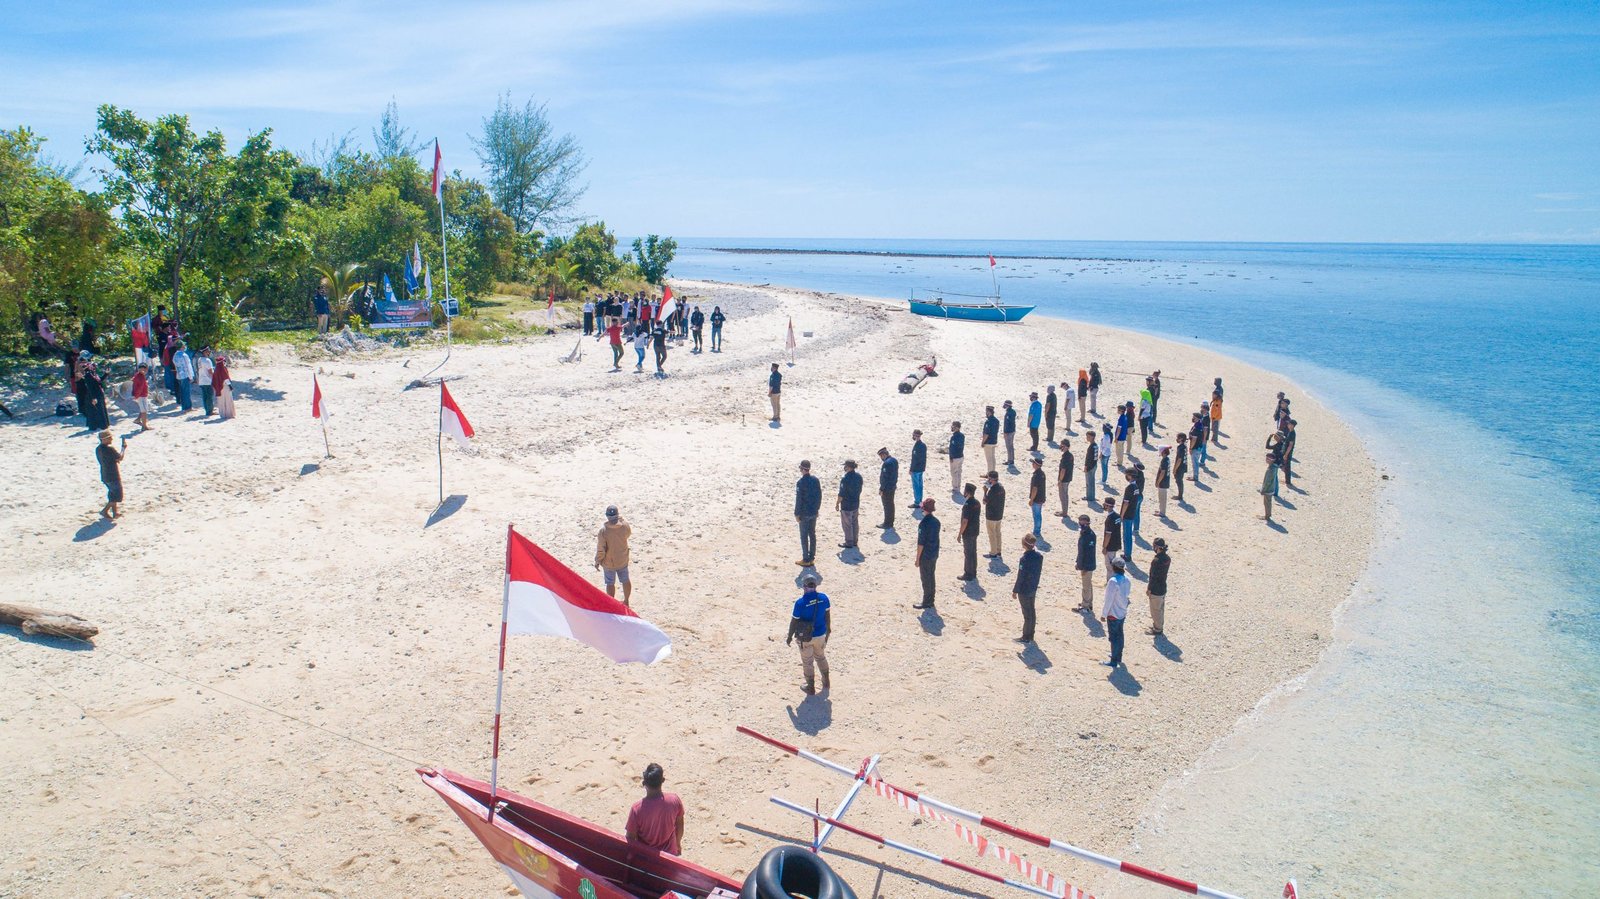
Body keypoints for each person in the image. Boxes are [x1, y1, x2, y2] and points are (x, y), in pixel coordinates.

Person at [625, 764, 684, 856]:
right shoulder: (674, 800)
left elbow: (630, 838)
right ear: (663, 780)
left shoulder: (637, 809)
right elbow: (680, 824)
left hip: (646, 857)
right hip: (670, 853)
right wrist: (677, 844)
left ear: (644, 783)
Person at [788, 576, 831, 694]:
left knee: (807, 661)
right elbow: (827, 616)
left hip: (805, 637)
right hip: (821, 634)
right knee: (821, 657)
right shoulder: (824, 598)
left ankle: (810, 687)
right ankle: (826, 681)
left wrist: (789, 636)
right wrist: (828, 631)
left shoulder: (800, 603)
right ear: (816, 586)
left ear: (804, 587)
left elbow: (794, 621)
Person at [595, 506, 633, 606]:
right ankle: (626, 601)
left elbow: (601, 549)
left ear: (607, 516)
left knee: (610, 583)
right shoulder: (625, 525)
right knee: (625, 580)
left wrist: (598, 561)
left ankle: (612, 604)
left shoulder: (603, 531)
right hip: (622, 558)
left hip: (609, 562)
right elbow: (628, 534)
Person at [1101, 556, 1131, 668]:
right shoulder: (1127, 580)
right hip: (1122, 612)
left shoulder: (1113, 582)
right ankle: (1118, 656)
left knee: (1113, 637)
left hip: (1113, 613)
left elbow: (1108, 600)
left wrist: (1104, 614)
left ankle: (1113, 660)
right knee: (1120, 635)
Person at [1013, 534, 1043, 643]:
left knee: (1027, 613)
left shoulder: (1024, 559)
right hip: (1033, 587)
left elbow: (1021, 576)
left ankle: (1026, 636)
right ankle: (1031, 634)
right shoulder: (1039, 557)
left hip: (1024, 589)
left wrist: (1015, 590)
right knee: (1032, 611)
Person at [913, 499, 939, 609]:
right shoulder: (936, 522)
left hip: (926, 555)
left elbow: (921, 543)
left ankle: (927, 601)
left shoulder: (923, 524)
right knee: (931, 576)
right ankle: (931, 599)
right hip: (934, 553)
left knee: (925, 579)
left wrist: (917, 558)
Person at [795, 460, 821, 566]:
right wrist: (817, 509)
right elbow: (819, 496)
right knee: (812, 534)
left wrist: (797, 514)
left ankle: (806, 559)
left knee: (804, 536)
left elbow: (799, 500)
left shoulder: (800, 483)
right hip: (813, 512)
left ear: (802, 469)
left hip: (804, 513)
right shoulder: (815, 480)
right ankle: (811, 558)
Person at [95, 430, 127, 519]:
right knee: (116, 495)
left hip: (104, 474)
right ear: (105, 439)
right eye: (109, 437)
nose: (111, 439)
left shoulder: (98, 449)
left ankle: (115, 513)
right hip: (113, 475)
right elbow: (120, 457)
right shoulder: (109, 449)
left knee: (112, 494)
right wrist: (123, 448)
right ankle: (105, 511)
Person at [1146, 538, 1170, 635]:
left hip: (1156, 589)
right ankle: (1159, 625)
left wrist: (1149, 589)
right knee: (1160, 609)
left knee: (1155, 610)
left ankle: (1157, 629)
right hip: (1163, 586)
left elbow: (1153, 577)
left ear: (1158, 547)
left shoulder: (1156, 561)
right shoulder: (1167, 559)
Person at [836, 460, 863, 550]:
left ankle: (849, 542)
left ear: (848, 467)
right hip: (855, 503)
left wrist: (837, 503)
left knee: (847, 525)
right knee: (855, 522)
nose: (844, 468)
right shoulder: (859, 477)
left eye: (845, 466)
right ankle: (855, 541)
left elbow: (841, 494)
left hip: (847, 505)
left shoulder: (845, 478)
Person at [956, 483, 979, 581]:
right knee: (973, 552)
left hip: (968, 532)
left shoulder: (967, 505)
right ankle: (973, 571)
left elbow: (965, 521)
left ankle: (968, 573)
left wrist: (960, 533)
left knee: (968, 553)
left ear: (967, 492)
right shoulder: (977, 503)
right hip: (975, 530)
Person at [1074, 515, 1097, 611]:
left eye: (1082, 522)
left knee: (1086, 587)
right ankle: (1089, 603)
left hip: (1087, 565)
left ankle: (1085, 606)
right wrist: (1077, 562)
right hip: (1084, 564)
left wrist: (1084, 567)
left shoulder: (1090, 535)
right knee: (1088, 584)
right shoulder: (1084, 533)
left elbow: (1089, 553)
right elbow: (1081, 551)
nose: (1080, 524)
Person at [981, 471, 1005, 559]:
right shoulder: (1001, 488)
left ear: (992, 479)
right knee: (998, 533)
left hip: (991, 516)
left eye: (989, 479)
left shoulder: (992, 491)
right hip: (999, 515)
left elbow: (984, 501)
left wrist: (985, 491)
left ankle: (993, 553)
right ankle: (998, 551)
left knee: (992, 534)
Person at [1120, 468, 1141, 561]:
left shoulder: (1129, 488)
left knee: (1126, 535)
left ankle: (1127, 555)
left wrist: (1121, 515)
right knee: (1128, 535)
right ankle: (1127, 553)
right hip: (1132, 513)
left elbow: (1126, 503)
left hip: (1127, 514)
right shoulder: (1136, 487)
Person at [876, 447, 898, 530]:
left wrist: (881, 488)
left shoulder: (887, 463)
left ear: (884, 455)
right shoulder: (894, 460)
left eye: (881, 456)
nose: (881, 458)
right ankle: (890, 522)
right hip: (892, 486)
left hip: (887, 488)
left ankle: (887, 523)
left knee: (887, 506)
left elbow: (884, 478)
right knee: (891, 505)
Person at [1101, 497, 1122, 576]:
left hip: (1110, 545)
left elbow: (1108, 535)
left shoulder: (1110, 519)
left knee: (1109, 566)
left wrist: (1104, 547)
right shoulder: (1117, 516)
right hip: (1116, 543)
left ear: (1108, 506)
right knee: (1113, 563)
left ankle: (1110, 582)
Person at [172, 341, 194, 412]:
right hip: (185, 375)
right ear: (182, 346)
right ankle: (188, 407)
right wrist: (191, 376)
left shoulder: (175, 355)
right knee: (186, 392)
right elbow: (188, 367)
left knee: (182, 392)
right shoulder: (184, 355)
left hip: (179, 375)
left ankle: (184, 407)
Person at [213, 354, 236, 420]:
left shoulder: (216, 369)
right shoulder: (223, 369)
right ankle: (229, 414)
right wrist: (230, 386)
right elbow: (226, 378)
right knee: (228, 400)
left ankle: (222, 414)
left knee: (221, 401)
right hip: (225, 386)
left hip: (219, 387)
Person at [908, 429, 926, 510]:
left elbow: (915, 459)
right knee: (920, 486)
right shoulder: (923, 445)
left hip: (916, 469)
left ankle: (917, 502)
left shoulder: (917, 446)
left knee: (916, 486)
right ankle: (920, 501)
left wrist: (911, 469)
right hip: (921, 468)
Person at [1027, 457, 1046, 537]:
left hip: (1036, 499)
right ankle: (1037, 530)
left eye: (1033, 463)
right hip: (1041, 497)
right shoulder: (1042, 474)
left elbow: (1035, 488)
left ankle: (1036, 531)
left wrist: (1031, 499)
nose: (1032, 464)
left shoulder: (1036, 475)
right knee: (1039, 515)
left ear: (1036, 465)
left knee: (1036, 515)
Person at [195, 348, 216, 417]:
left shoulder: (200, 360)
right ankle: (209, 411)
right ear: (206, 352)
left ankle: (207, 409)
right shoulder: (207, 360)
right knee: (209, 396)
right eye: (208, 351)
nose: (209, 352)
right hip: (208, 380)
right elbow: (210, 371)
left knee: (205, 396)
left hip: (202, 380)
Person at [130, 363, 152, 431]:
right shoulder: (141, 377)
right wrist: (136, 396)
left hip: (141, 395)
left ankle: (138, 419)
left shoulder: (137, 375)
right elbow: (140, 388)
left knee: (143, 409)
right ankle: (144, 426)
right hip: (141, 395)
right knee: (144, 411)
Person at [1056, 439, 1075, 518]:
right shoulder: (1070, 455)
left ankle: (1064, 513)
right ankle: (1064, 511)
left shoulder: (1065, 457)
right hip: (1068, 478)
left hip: (1064, 479)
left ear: (1066, 447)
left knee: (1062, 496)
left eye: (1062, 445)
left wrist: (1060, 480)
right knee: (1065, 495)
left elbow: (1063, 470)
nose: (1061, 447)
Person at [1260, 452, 1280, 521]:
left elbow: (1267, 482)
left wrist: (1263, 490)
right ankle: (1268, 515)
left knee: (1267, 503)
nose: (1266, 460)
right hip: (1272, 488)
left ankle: (1267, 516)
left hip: (1268, 489)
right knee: (1268, 502)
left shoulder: (1271, 469)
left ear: (1271, 460)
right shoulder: (1274, 467)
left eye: (1267, 459)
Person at [948, 421, 965, 497]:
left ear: (958, 428)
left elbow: (953, 448)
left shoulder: (954, 437)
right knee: (958, 472)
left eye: (954, 426)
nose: (952, 428)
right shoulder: (962, 435)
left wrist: (951, 457)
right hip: (961, 456)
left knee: (954, 473)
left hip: (956, 457)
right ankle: (958, 486)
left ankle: (955, 488)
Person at [980, 406, 999, 474]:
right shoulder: (996, 420)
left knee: (989, 460)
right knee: (993, 459)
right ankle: (992, 473)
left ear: (989, 412)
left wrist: (983, 442)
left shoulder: (988, 422)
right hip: (994, 441)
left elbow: (986, 434)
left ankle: (990, 475)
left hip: (988, 442)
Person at [1154, 446, 1172, 517]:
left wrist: (1158, 482)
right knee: (1162, 498)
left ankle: (1162, 512)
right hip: (1165, 481)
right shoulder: (1167, 459)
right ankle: (1161, 510)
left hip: (1163, 482)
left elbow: (1162, 473)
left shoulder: (1164, 461)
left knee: (1162, 498)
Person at [1280, 419, 1298, 487]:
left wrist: (1286, 454)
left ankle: (1288, 482)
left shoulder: (1292, 433)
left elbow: (1290, 445)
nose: (1288, 425)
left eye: (1289, 424)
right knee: (1286, 466)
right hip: (1286, 452)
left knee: (1287, 467)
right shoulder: (1290, 432)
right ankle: (1287, 481)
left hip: (1288, 453)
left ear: (1292, 425)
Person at [1083, 431, 1099, 504]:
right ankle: (1091, 496)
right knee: (1091, 481)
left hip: (1090, 466)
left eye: (1088, 436)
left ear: (1092, 437)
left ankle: (1090, 497)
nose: (1087, 438)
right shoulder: (1095, 445)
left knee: (1089, 482)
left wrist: (1086, 467)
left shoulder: (1091, 447)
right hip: (1094, 465)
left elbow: (1089, 458)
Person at [1112, 403, 1129, 469]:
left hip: (1120, 437)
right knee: (1121, 449)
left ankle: (1119, 463)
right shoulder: (1125, 417)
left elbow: (1119, 429)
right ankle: (1120, 461)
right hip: (1123, 436)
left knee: (1118, 450)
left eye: (1118, 410)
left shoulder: (1121, 418)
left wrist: (1116, 438)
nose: (1117, 411)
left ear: (1121, 411)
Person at [1001, 400, 1018, 466]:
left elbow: (1007, 424)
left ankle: (1010, 460)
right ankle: (1011, 459)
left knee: (1009, 446)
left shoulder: (1008, 413)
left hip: (1009, 432)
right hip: (1012, 431)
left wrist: (1005, 432)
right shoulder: (1013, 412)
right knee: (1011, 446)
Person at [1174, 439, 1189, 504]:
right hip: (1183, 466)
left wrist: (1175, 469)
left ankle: (1180, 496)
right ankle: (1180, 495)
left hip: (1180, 467)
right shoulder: (1184, 446)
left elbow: (1179, 459)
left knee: (1179, 481)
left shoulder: (1180, 448)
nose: (1176, 439)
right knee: (1180, 481)